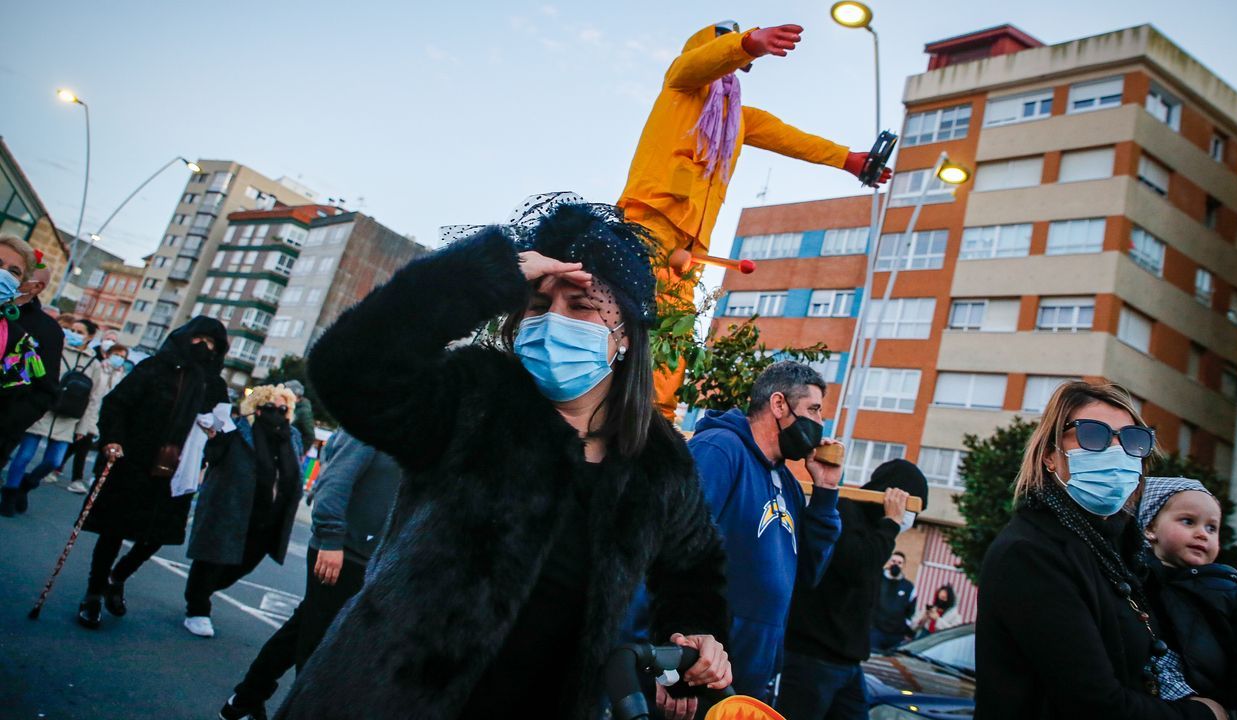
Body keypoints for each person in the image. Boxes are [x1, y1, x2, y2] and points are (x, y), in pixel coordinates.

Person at [277, 195, 731, 719]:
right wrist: (489, 273)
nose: (554, 319)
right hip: (381, 697)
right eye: (539, 305)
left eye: (580, 306)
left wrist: (696, 632)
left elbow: (695, 564)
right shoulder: (473, 396)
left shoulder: (659, 460)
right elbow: (349, 369)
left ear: (626, 332)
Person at [619, 21, 891, 417]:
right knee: (619, 318)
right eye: (728, 62)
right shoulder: (679, 85)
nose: (729, 76)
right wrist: (746, 44)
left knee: (672, 339)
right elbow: (698, 65)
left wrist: (847, 160)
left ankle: (657, 422)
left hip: (687, 247)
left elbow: (787, 137)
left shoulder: (738, 120)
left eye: (736, 68)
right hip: (647, 227)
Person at [975, 381, 1227, 720]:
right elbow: (1095, 705)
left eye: (1131, 439)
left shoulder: (1124, 552)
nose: (1116, 450)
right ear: (1051, 456)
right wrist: (1206, 716)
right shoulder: (1029, 554)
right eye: (1093, 435)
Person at [647, 360, 843, 710]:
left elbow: (809, 573)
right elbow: (662, 551)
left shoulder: (789, 484)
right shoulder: (720, 451)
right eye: (813, 409)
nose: (819, 424)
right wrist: (665, 664)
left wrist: (825, 492)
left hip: (748, 687)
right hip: (698, 677)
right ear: (779, 404)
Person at [218, 429, 402, 720]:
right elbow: (334, 483)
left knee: (303, 628)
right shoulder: (368, 431)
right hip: (341, 551)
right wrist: (330, 539)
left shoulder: (410, 435)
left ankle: (244, 699)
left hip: (365, 555)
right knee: (319, 643)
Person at [75, 316, 229, 630]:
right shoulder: (154, 367)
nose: (205, 347)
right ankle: (93, 593)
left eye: (213, 344)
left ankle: (117, 577)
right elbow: (117, 404)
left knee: (156, 536)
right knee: (113, 531)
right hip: (134, 461)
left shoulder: (214, 384)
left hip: (177, 471)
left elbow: (223, 427)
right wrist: (113, 439)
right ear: (187, 337)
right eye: (200, 339)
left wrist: (214, 437)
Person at [777, 459, 926, 720]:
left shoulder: (874, 530)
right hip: (813, 657)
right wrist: (891, 523)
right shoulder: (846, 512)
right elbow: (859, 567)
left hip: (847, 662)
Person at [1138, 477, 1237, 719]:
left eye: (1211, 528)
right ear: (1150, 528)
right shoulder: (1131, 582)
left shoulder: (1233, 592)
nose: (1202, 534)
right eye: (1188, 521)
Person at [183, 384, 304, 637]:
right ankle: (197, 607)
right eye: (271, 407)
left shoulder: (291, 436)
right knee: (211, 559)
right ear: (257, 409)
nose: (278, 413)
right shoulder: (238, 430)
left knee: (245, 563)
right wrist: (213, 437)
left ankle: (201, 591)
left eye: (284, 408)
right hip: (229, 506)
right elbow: (213, 456)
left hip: (267, 514)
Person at [3, 317, 104, 512]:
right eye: (71, 329)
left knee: (54, 461)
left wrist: (84, 427)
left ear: (90, 337)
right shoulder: (55, 350)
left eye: (80, 332)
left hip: (68, 419)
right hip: (43, 412)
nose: (73, 334)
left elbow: (94, 399)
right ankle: (9, 493)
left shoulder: (94, 364)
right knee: (24, 456)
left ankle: (27, 484)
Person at [0, 238, 63, 474]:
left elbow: (40, 391)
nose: (2, 273)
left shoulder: (21, 340)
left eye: (13, 271)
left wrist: (6, 431)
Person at [63, 341, 131, 494]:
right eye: (116, 354)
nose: (119, 358)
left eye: (122, 356)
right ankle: (76, 479)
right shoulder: (99, 368)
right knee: (83, 446)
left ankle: (58, 468)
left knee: (77, 445)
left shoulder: (121, 375)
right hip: (90, 411)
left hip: (103, 416)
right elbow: (91, 393)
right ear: (107, 354)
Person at [870, 552, 917, 652]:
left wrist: (907, 632)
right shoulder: (877, 579)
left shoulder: (909, 587)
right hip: (875, 631)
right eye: (893, 561)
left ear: (903, 565)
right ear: (889, 562)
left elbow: (910, 612)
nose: (896, 564)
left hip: (896, 635)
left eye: (899, 562)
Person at [284, 379, 316, 451]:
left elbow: (310, 436)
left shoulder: (304, 412)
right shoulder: (290, 407)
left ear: (296, 395)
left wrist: (300, 452)